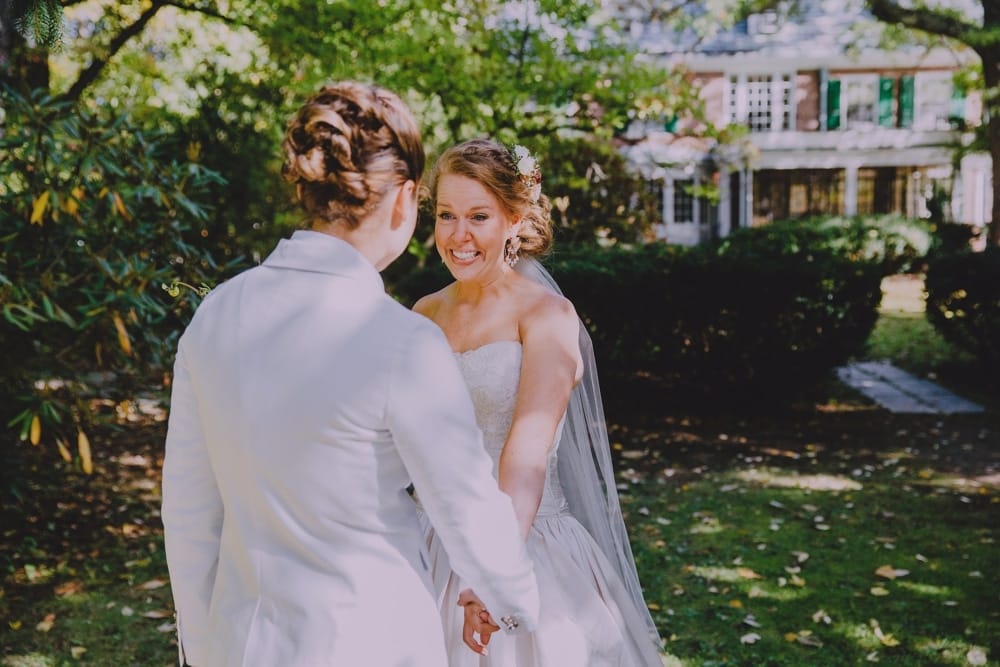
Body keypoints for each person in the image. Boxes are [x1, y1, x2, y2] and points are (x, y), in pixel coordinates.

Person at [161, 83, 539, 667]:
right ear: (405, 199)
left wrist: (206, 647)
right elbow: (466, 508)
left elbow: (187, 510)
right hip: (373, 640)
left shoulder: (216, 316)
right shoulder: (401, 341)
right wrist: (518, 604)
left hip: (243, 642)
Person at [413, 138, 664, 666]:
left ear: (514, 218)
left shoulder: (547, 316)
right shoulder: (424, 313)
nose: (458, 235)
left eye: (478, 216)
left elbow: (526, 454)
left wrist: (493, 572)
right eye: (446, 215)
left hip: (525, 540)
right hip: (428, 544)